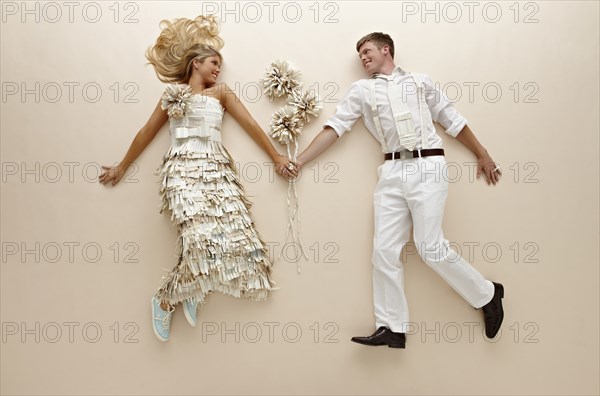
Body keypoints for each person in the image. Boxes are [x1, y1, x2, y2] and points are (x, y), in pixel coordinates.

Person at [295, 32, 504, 349]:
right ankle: (392, 327)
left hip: (428, 165)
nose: (363, 59)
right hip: (391, 171)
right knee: (383, 252)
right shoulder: (362, 90)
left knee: (429, 246)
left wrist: (482, 153)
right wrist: (299, 161)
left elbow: (451, 119)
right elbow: (335, 128)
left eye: (367, 52)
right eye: (360, 56)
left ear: (385, 50)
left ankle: (487, 293)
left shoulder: (420, 82)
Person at [98, 15, 297, 342]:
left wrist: (276, 157)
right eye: (214, 63)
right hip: (182, 170)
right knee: (198, 236)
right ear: (196, 63)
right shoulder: (172, 94)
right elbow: (147, 132)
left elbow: (251, 126)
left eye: (219, 65)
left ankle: (192, 288)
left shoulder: (222, 93)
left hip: (216, 170)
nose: (218, 69)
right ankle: (166, 299)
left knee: (231, 237)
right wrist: (122, 166)